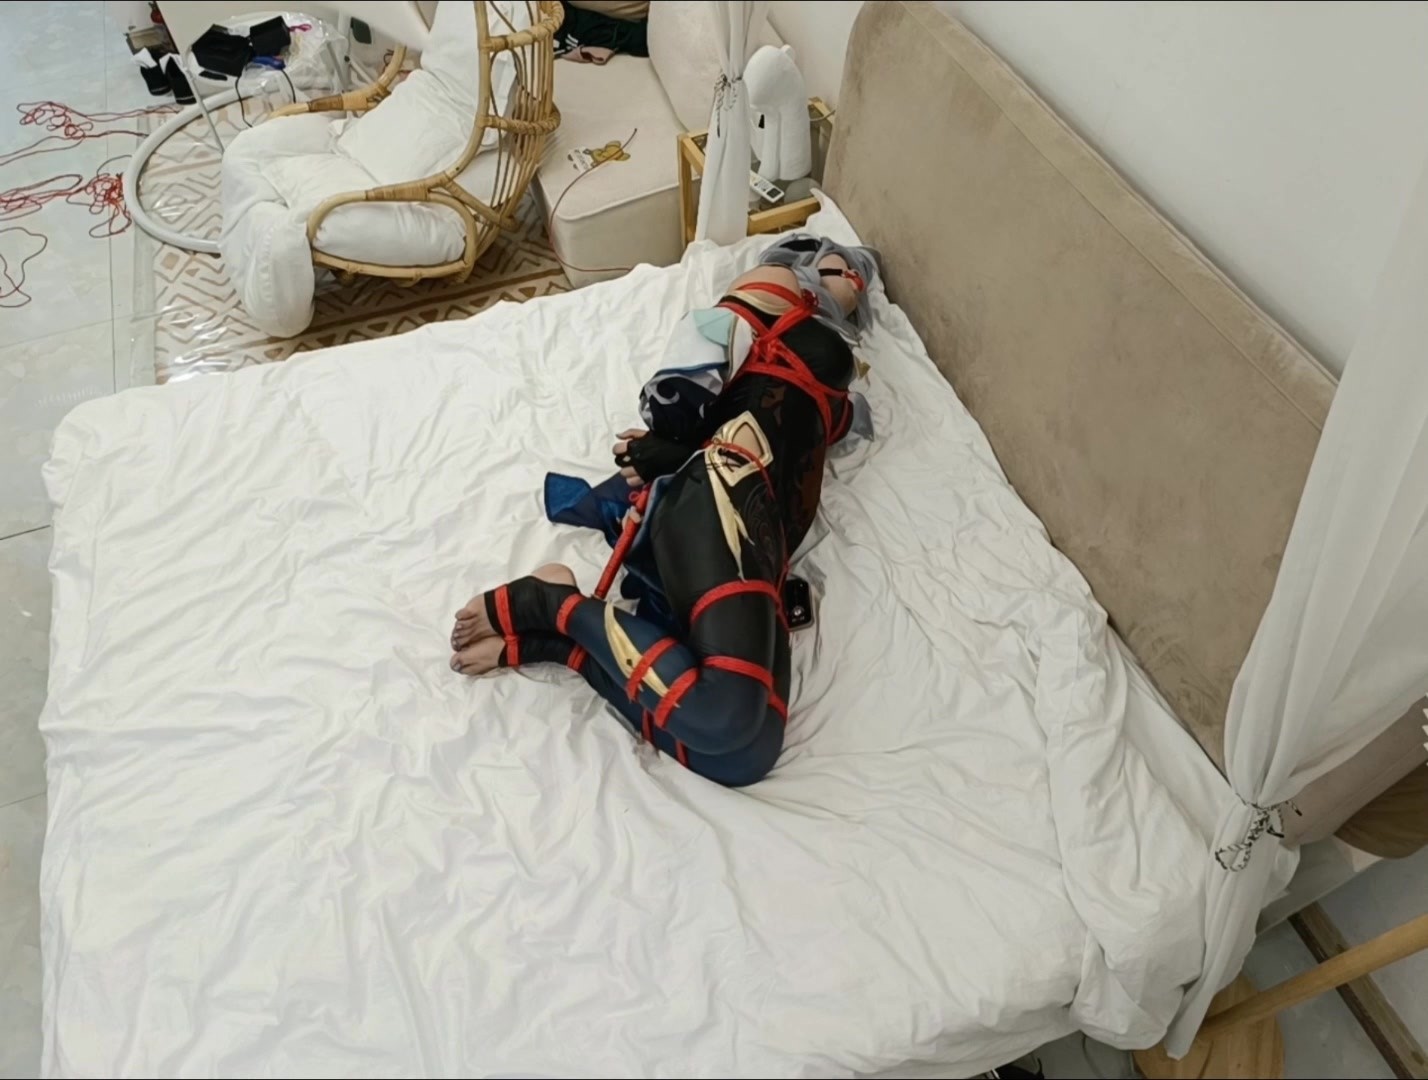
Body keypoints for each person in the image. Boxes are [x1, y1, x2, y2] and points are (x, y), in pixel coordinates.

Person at [449, 235, 879, 787]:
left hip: (763, 538)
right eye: (842, 266)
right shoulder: (773, 292)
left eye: (858, 277)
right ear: (803, 263)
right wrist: (672, 445)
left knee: (744, 758)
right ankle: (542, 602)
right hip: (722, 490)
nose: (853, 279)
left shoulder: (838, 363)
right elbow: (684, 382)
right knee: (724, 716)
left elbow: (803, 438)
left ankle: (553, 644)